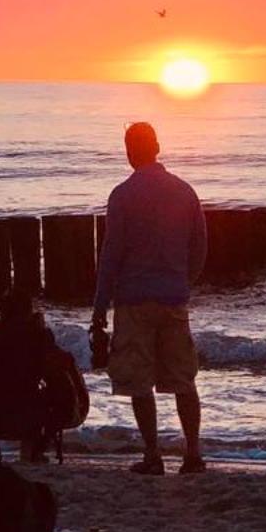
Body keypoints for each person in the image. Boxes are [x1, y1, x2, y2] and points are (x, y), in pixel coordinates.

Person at [89, 121, 210, 475]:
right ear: (157, 146)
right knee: (184, 379)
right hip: (173, 298)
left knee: (139, 382)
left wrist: (99, 308)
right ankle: (192, 453)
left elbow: (111, 255)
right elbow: (200, 246)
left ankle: (153, 454)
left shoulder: (122, 195)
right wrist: (183, 281)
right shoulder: (184, 191)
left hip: (133, 299)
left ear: (129, 152)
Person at [0, 288, 60, 463]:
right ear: (28, 311)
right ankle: (33, 448)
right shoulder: (39, 335)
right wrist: (40, 329)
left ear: (1, 312)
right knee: (55, 392)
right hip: (25, 415)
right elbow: (52, 369)